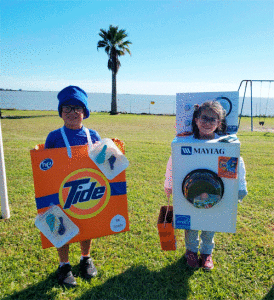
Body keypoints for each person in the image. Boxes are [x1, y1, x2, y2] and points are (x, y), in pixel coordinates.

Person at [164, 101, 248, 271]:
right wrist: (169, 184)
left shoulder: (226, 145)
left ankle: (206, 252)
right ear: (196, 119)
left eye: (213, 119)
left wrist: (240, 188)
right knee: (191, 223)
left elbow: (237, 164)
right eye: (204, 117)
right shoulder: (184, 142)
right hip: (190, 192)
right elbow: (173, 163)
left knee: (211, 222)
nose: (207, 122)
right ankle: (191, 251)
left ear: (219, 123)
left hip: (215, 193)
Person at [45, 85, 101, 287]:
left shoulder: (93, 135)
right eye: (67, 108)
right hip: (61, 193)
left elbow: (103, 160)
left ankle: (85, 258)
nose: (72, 113)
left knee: (86, 224)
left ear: (84, 112)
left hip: (86, 189)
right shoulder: (54, 137)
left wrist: (115, 148)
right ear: (60, 112)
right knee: (61, 225)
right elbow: (46, 166)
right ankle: (64, 265)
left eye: (77, 108)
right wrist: (39, 153)